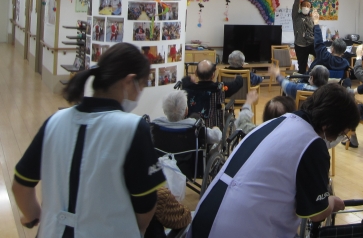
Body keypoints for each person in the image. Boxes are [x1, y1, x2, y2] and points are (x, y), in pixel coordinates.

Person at [12, 43, 165, 237]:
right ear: (129, 82)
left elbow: (21, 186)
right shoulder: (133, 128)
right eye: (141, 85)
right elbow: (145, 204)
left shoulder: (55, 121)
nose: (139, 93)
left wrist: (34, 216)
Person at [188, 84, 360, 237]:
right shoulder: (312, 143)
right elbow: (317, 213)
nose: (339, 138)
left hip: (204, 220)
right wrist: (332, 202)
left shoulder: (278, 122)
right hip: (241, 228)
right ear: (328, 125)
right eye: (342, 134)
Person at [179, 60, 243, 127]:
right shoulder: (219, 88)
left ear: (196, 73)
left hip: (192, 127)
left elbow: (184, 81)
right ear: (213, 75)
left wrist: (189, 78)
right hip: (214, 127)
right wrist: (238, 77)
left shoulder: (189, 87)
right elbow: (238, 83)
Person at [152, 91, 222, 145]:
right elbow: (218, 137)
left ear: (164, 111)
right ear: (186, 111)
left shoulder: (155, 124)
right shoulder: (195, 126)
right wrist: (216, 128)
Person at [308, 10, 349, 76]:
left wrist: (316, 23)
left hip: (320, 81)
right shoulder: (345, 63)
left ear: (332, 49)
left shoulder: (324, 57)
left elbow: (319, 42)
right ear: (343, 52)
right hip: (336, 82)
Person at [292, 0, 315, 73]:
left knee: (320, 56)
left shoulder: (311, 18)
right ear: (301, 6)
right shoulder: (296, 16)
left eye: (308, 6)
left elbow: (314, 30)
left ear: (310, 8)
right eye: (304, 5)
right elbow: (295, 5)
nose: (306, 7)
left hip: (311, 43)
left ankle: (312, 72)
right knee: (302, 67)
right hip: (300, 45)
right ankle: (303, 78)